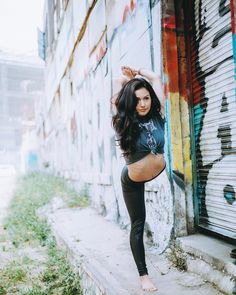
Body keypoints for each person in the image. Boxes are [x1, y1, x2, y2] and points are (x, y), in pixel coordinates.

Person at [112, 66, 166, 292]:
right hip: (132, 180)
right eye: (137, 100)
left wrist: (140, 73)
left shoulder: (158, 114)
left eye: (146, 98)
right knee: (138, 224)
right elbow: (116, 87)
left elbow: (155, 78)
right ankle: (143, 276)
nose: (143, 103)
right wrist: (128, 79)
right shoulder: (124, 121)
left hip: (156, 172)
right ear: (130, 103)